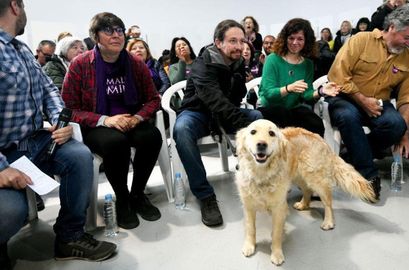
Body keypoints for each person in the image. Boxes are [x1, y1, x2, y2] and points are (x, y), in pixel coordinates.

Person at [0, 0, 116, 267]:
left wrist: (59, 119)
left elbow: (49, 91)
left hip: (32, 142)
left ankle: (70, 236)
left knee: (78, 155)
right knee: (10, 212)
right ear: (15, 6)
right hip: (3, 151)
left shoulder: (21, 49)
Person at [62, 12, 162, 230]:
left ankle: (137, 194)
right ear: (95, 37)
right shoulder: (80, 64)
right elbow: (68, 109)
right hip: (98, 124)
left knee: (151, 136)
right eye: (108, 30)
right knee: (115, 143)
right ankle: (123, 198)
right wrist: (105, 120)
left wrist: (137, 117)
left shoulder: (135, 63)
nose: (116, 35)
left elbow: (154, 99)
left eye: (119, 30)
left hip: (129, 119)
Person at [326, 4, 409, 200]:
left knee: (397, 125)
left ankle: (346, 159)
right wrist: (363, 100)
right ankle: (369, 175)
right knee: (347, 116)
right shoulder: (360, 40)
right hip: (347, 97)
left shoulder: (408, 57)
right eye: (407, 37)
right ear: (392, 27)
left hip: (380, 103)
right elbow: (337, 75)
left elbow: (407, 97)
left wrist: (404, 134)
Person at [173, 19, 262, 227]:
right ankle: (205, 196)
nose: (239, 46)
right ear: (218, 42)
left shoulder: (238, 62)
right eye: (233, 41)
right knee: (182, 129)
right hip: (197, 112)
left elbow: (236, 97)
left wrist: (239, 78)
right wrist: (242, 124)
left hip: (224, 113)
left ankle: (259, 179)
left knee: (257, 118)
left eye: (242, 41)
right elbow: (214, 99)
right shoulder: (202, 63)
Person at [258, 18, 339, 137]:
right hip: (270, 108)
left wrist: (321, 91)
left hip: (292, 109)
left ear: (307, 41)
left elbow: (306, 95)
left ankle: (313, 154)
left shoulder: (307, 64)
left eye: (300, 39)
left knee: (315, 123)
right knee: (284, 117)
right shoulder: (272, 59)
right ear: (284, 39)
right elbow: (268, 94)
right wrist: (289, 88)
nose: (295, 42)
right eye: (291, 38)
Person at [371, 0, 409, 78]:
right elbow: (374, 25)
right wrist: (390, 5)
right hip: (387, 55)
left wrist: (406, 6)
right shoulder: (383, 9)